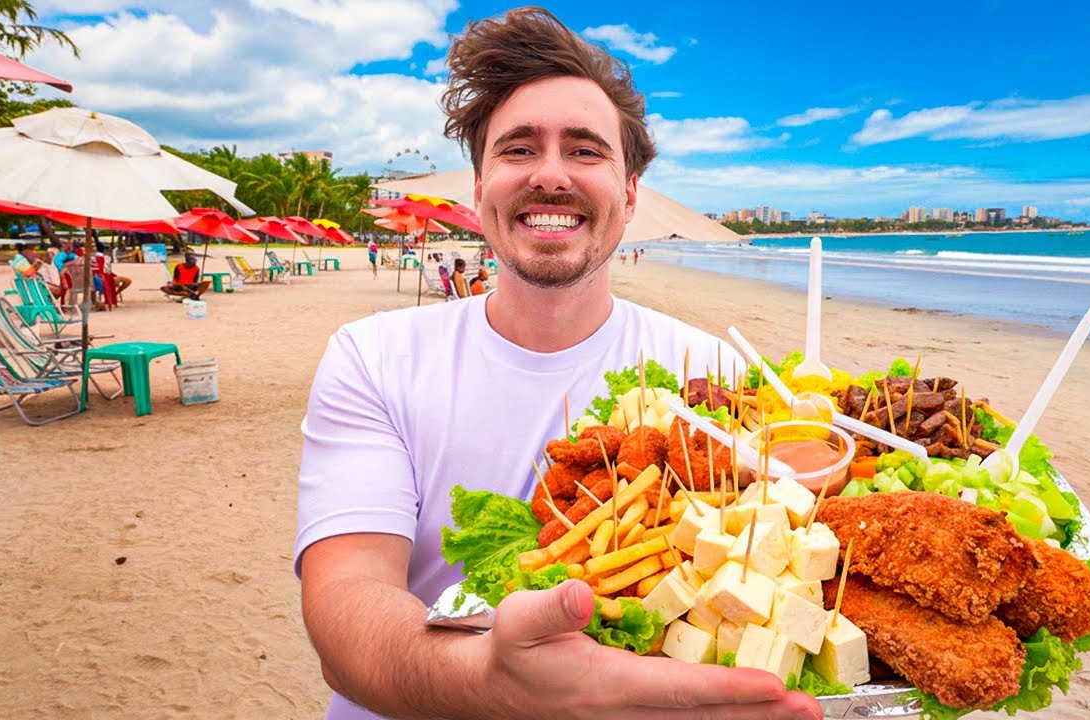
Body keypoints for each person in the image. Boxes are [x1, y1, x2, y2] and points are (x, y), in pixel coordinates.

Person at [295, 8, 819, 720]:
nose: (550, 175)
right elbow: (344, 610)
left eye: (584, 150)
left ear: (629, 194)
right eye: (517, 150)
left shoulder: (713, 369)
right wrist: (489, 683)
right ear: (478, 188)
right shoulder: (374, 357)